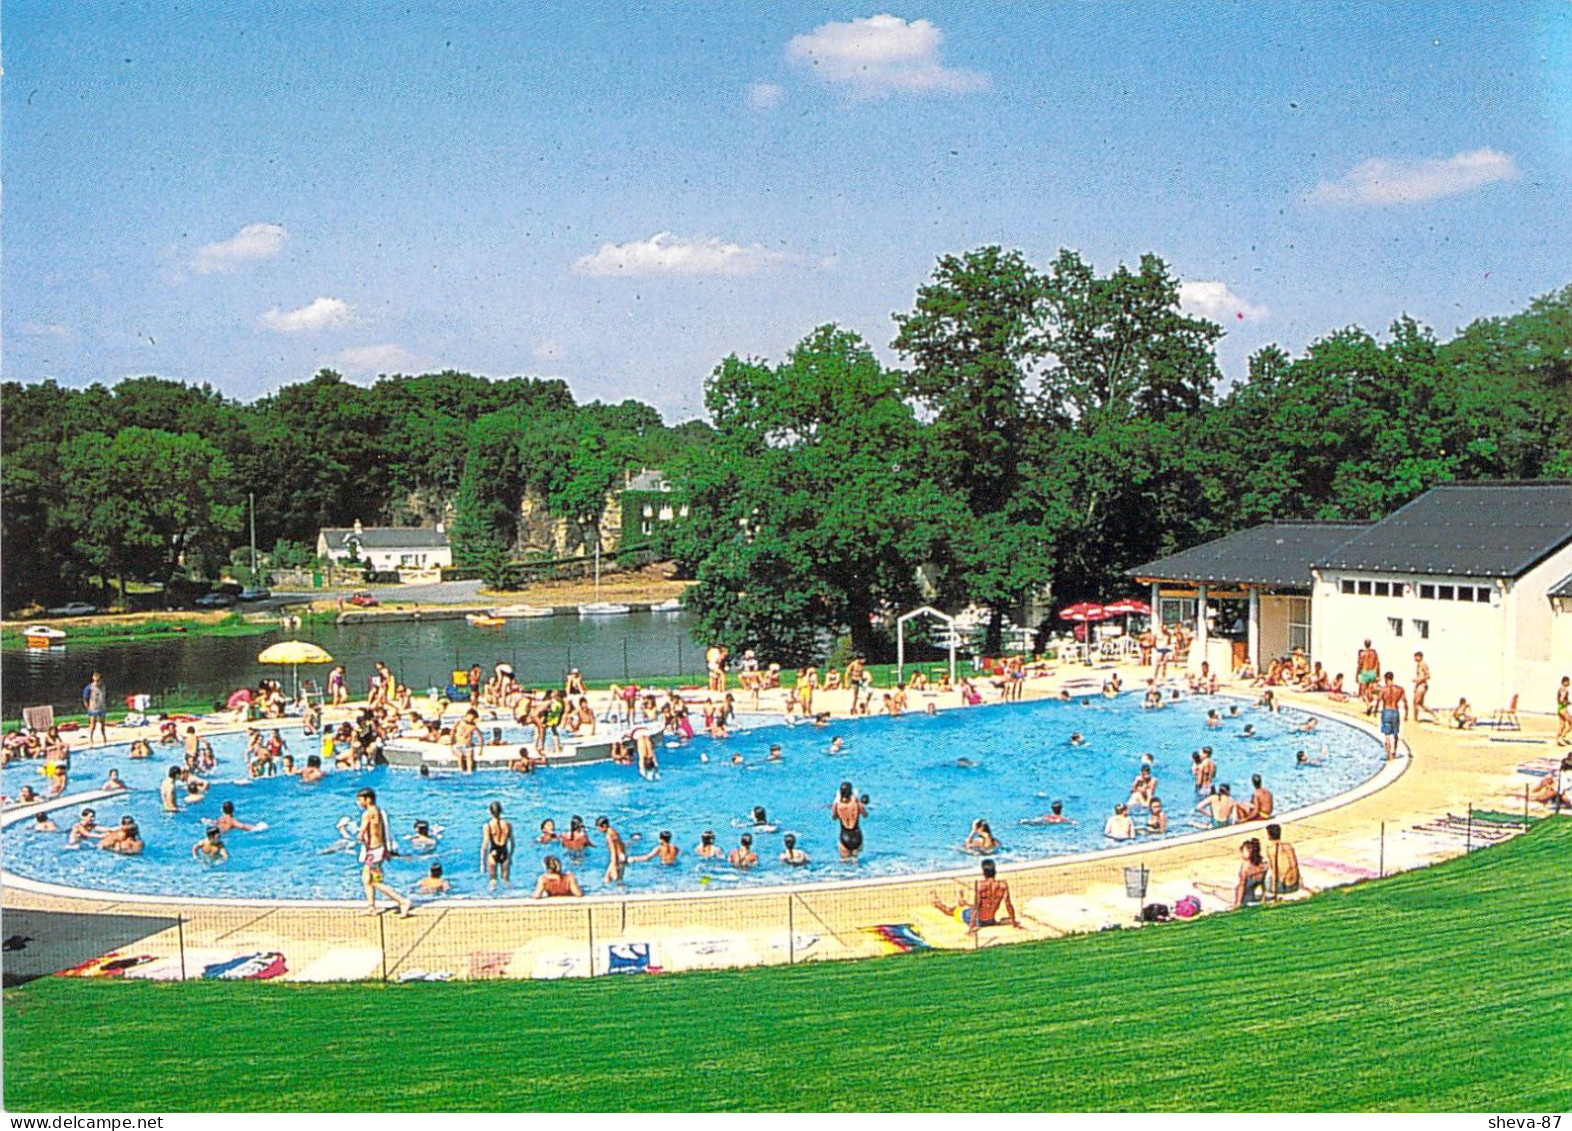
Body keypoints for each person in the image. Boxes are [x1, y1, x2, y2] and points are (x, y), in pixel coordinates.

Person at [356, 787, 411, 917]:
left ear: (368, 799)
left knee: (375, 881)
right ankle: (371, 907)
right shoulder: (379, 812)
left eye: (360, 800)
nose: (359, 803)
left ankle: (402, 901)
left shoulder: (367, 814)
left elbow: (361, 835)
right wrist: (386, 850)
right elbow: (383, 832)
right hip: (378, 850)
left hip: (373, 853)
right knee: (366, 878)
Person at [931, 858, 1021, 934]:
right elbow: (1008, 905)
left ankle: (938, 904)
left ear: (983, 872)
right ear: (995, 871)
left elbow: (976, 908)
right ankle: (962, 902)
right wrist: (1014, 923)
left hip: (978, 921)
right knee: (965, 906)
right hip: (990, 920)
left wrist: (971, 928)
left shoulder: (981, 886)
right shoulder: (1003, 885)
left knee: (951, 911)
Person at [481, 801, 514, 889]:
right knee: (506, 880)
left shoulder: (488, 826)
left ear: (490, 812)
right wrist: (510, 856)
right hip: (505, 853)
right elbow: (512, 843)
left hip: (493, 853)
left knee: (493, 881)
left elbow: (485, 845)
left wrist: (482, 863)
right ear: (501, 810)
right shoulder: (507, 825)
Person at [831, 781, 867, 859]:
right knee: (855, 860)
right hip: (857, 835)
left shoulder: (837, 805)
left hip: (845, 835)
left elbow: (834, 817)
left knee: (844, 862)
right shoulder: (856, 803)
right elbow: (865, 815)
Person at [1263, 824, 1300, 896]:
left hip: (1281, 881)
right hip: (1288, 880)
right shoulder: (1287, 847)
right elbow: (1294, 865)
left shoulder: (1270, 849)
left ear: (1269, 835)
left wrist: (1274, 888)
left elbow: (1273, 869)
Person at [1378, 671, 1408, 758]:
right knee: (1395, 734)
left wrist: (1375, 710)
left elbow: (1379, 701)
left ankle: (1388, 755)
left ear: (1385, 679)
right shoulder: (1399, 689)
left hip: (1386, 711)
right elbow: (1405, 702)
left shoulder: (1383, 689)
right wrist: (1406, 714)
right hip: (1395, 711)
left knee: (1387, 735)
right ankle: (1394, 752)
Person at [1234, 838, 1267, 908]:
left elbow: (1241, 886)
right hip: (1254, 894)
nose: (1241, 854)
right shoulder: (1263, 864)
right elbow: (1263, 883)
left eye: (1243, 852)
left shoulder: (1246, 866)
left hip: (1246, 898)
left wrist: (1237, 903)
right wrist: (1264, 898)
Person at [598, 816, 628, 884]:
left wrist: (614, 865)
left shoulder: (609, 836)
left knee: (618, 881)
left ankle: (622, 893)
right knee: (607, 879)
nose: (599, 830)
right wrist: (622, 854)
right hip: (622, 857)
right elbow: (622, 845)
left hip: (617, 859)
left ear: (604, 826)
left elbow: (613, 852)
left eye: (599, 828)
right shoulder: (613, 831)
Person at [82, 671, 108, 746]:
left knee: (102, 725)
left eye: (98, 680)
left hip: (101, 707)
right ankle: (90, 738)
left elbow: (104, 697)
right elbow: (85, 699)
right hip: (93, 708)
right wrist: (88, 708)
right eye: (95, 680)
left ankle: (104, 738)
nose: (97, 682)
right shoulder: (89, 688)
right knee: (93, 725)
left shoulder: (103, 687)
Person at [1412, 652, 1437, 723]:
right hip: (1419, 685)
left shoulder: (1423, 664)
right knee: (1420, 703)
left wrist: (1419, 680)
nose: (1415, 658)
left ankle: (1415, 719)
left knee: (1415, 702)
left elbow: (1428, 675)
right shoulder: (1418, 665)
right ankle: (1434, 715)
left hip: (1422, 685)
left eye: (1416, 657)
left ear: (1420, 657)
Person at [1356, 640, 1381, 710]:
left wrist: (1357, 675)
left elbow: (1359, 665)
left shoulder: (1363, 653)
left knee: (1363, 692)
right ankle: (1369, 706)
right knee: (1369, 691)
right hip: (1372, 672)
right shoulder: (1374, 653)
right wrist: (1378, 674)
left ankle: (1368, 705)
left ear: (1364, 644)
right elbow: (1378, 664)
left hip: (1365, 672)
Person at [1557, 675, 1571, 746]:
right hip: (1563, 708)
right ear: (1564, 682)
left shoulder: (1561, 689)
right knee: (1571, 723)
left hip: (1559, 708)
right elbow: (1561, 699)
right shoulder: (1564, 689)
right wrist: (1566, 702)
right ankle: (1562, 737)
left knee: (1562, 725)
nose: (1569, 683)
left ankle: (1558, 739)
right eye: (1568, 681)